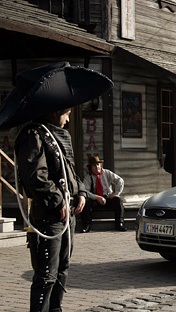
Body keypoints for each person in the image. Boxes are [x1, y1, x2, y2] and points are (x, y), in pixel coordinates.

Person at [2, 62, 113, 312]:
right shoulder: (33, 135)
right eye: (66, 113)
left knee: (62, 270)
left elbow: (69, 171)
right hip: (48, 217)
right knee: (46, 274)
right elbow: (35, 176)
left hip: (67, 214)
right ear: (54, 112)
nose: (69, 117)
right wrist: (57, 200)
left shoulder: (60, 135)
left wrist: (81, 193)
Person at [82, 156, 127, 232]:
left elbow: (120, 181)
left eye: (98, 164)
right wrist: (96, 197)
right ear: (91, 167)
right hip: (95, 199)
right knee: (86, 202)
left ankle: (119, 223)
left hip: (107, 197)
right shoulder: (88, 177)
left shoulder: (106, 173)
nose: (97, 167)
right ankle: (87, 225)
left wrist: (116, 193)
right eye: (94, 165)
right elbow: (85, 191)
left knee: (118, 200)